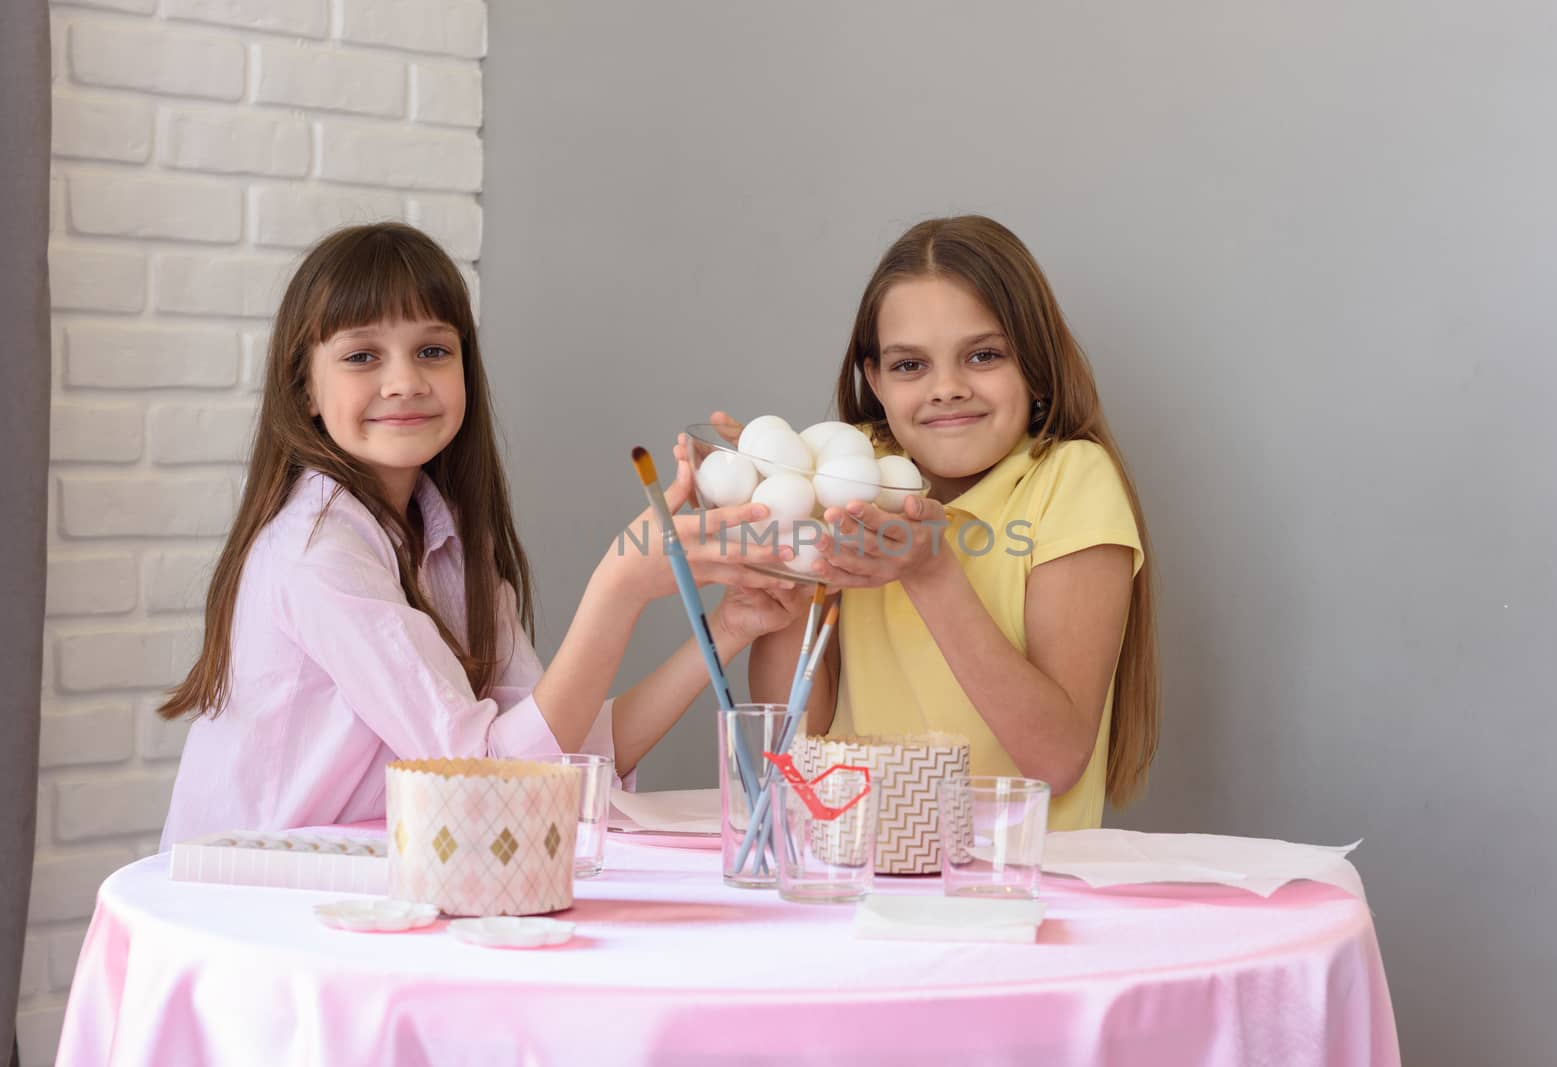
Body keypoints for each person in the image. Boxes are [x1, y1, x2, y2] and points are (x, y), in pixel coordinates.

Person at [158, 222, 807, 848]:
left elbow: (561, 753)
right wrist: (619, 588)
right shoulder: (321, 555)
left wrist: (727, 627)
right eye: (362, 356)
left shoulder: (446, 542)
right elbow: (490, 778)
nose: (405, 380)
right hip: (263, 911)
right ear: (305, 386)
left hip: (372, 890)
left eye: (433, 351)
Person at [737, 215, 1159, 829]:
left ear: (1036, 366)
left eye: (983, 356)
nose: (947, 389)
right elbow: (796, 733)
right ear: (874, 379)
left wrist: (933, 575)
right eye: (911, 366)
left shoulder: (1070, 481)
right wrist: (783, 526)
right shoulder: (853, 476)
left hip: (1017, 884)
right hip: (859, 868)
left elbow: (1056, 759)